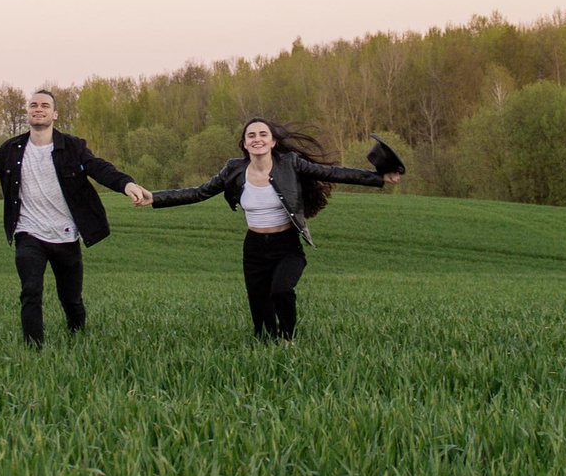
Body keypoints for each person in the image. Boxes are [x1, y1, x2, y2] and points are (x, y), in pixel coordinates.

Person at [0, 89, 152, 346]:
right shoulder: (11, 150)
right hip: (29, 232)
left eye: (45, 105)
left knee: (71, 299)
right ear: (27, 112)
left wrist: (127, 185)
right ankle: (34, 351)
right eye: (33, 105)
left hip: (65, 234)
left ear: (54, 114)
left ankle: (78, 338)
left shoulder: (72, 147)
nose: (38, 108)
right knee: (31, 291)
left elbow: (100, 168)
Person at [144, 119, 399, 339]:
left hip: (287, 245)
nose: (257, 139)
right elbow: (199, 192)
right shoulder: (234, 170)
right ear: (244, 144)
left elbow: (331, 173)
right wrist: (155, 198)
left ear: (273, 142)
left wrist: (378, 178)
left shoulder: (290, 163)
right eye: (251, 135)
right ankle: (269, 344)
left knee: (281, 290)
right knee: (262, 321)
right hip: (254, 248)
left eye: (263, 134)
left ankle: (289, 339)